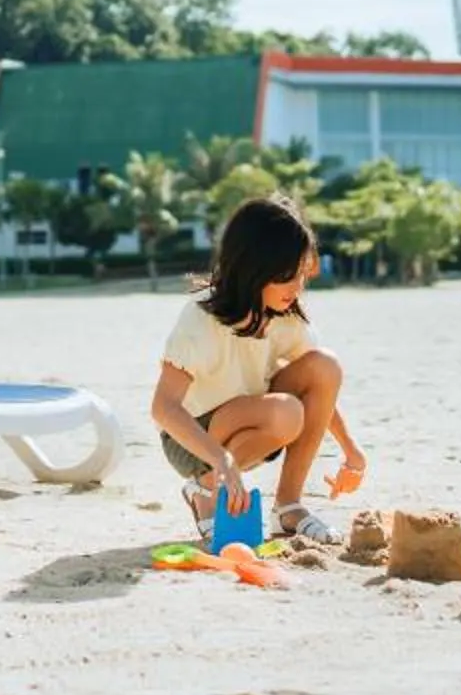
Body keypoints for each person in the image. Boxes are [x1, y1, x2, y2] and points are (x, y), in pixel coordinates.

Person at [151, 192, 363, 543]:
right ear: (252, 268)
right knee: (286, 412)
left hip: (253, 420)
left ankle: (288, 507)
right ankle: (203, 488)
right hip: (191, 439)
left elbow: (319, 389)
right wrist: (220, 460)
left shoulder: (283, 315)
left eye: (300, 275)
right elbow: (163, 408)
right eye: (284, 276)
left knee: (324, 365)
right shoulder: (202, 317)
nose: (296, 288)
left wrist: (350, 450)